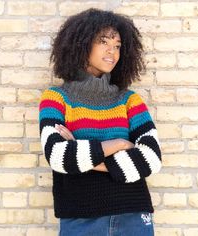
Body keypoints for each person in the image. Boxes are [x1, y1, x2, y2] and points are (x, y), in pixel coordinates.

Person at [39, 8, 162, 236]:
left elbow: (152, 158)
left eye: (117, 45)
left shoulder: (129, 100)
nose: (112, 51)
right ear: (82, 44)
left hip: (132, 214)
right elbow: (58, 156)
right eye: (103, 42)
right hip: (81, 217)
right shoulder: (57, 98)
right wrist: (120, 144)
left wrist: (84, 154)